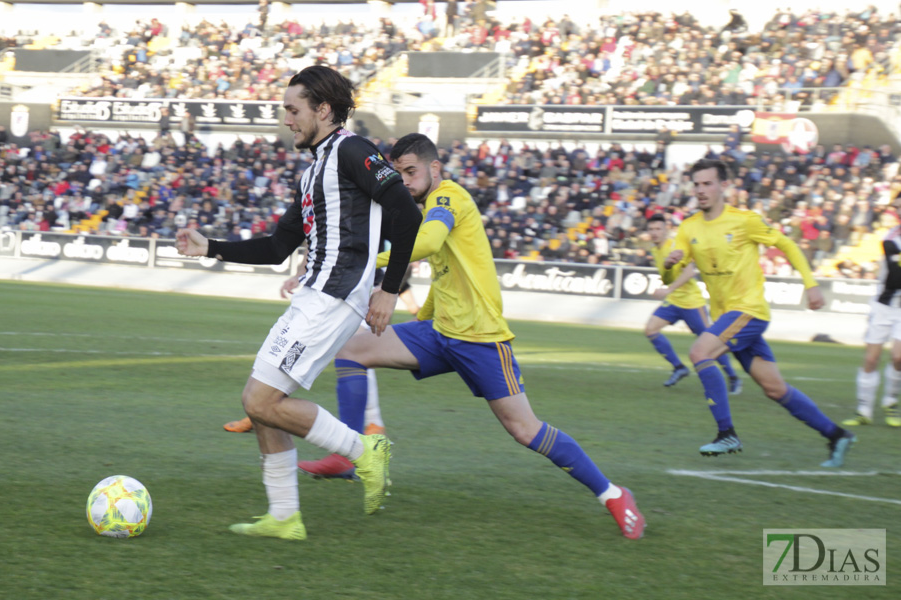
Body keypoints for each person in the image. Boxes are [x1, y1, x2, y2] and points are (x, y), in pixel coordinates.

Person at [296, 134, 645, 540]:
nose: (404, 181)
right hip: (441, 332)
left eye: (411, 172)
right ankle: (350, 454)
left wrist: (364, 257)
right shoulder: (430, 204)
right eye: (399, 173)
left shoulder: (449, 198)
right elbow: (445, 274)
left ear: (435, 169)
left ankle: (614, 494)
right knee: (352, 348)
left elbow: (426, 244)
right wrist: (419, 316)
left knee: (524, 429)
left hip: (481, 339)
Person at [175, 65, 422, 541]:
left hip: (333, 297)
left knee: (260, 399)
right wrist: (210, 247)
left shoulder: (352, 150)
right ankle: (284, 516)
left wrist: (390, 289)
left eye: (293, 110)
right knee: (265, 400)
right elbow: (275, 248)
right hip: (315, 294)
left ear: (323, 110)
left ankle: (363, 450)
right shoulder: (313, 174)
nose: (287, 120)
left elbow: (406, 215)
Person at [664, 159, 855, 467]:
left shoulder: (745, 221)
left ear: (723, 186)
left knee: (701, 352)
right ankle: (837, 435)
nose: (700, 190)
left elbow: (788, 245)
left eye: (707, 183)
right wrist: (669, 264)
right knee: (774, 388)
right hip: (727, 318)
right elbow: (669, 277)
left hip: (749, 311)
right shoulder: (689, 228)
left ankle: (726, 433)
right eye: (696, 184)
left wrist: (811, 284)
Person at [223, 251, 398, 437]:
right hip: (318, 290)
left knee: (355, 352)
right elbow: (310, 238)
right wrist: (299, 273)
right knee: (288, 350)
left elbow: (405, 241)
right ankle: (261, 407)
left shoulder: (371, 222)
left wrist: (387, 289)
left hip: (357, 290)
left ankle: (371, 425)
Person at [644, 213, 741, 392]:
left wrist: (668, 290)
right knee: (650, 329)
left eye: (658, 229)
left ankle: (733, 376)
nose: (654, 232)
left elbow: (690, 272)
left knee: (709, 342)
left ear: (666, 230)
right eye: (651, 229)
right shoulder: (655, 249)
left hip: (691, 303)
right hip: (674, 302)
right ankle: (679, 367)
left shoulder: (673, 247)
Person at [843, 218, 901, 427]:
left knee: (898, 356)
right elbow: (895, 277)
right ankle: (863, 411)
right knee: (871, 359)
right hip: (884, 306)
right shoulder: (891, 239)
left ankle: (890, 401)